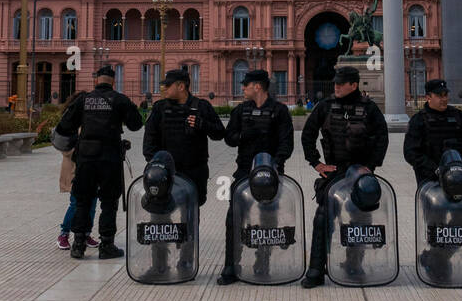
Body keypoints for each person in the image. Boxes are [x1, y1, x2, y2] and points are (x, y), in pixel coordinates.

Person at [299, 65, 389, 288]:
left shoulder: (368, 107)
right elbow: (307, 134)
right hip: (335, 170)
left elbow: (382, 137)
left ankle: (354, 265)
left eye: (341, 83)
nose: (336, 86)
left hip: (360, 172)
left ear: (354, 85)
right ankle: (316, 270)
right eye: (335, 83)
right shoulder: (326, 106)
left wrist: (370, 166)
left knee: (360, 219)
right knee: (322, 218)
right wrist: (316, 163)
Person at [141, 69, 226, 273]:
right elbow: (149, 141)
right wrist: (155, 165)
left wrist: (201, 124)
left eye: (168, 85)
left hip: (193, 172)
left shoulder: (201, 107)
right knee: (159, 219)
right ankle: (159, 264)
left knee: (189, 218)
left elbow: (220, 134)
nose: (164, 89)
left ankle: (186, 262)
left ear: (181, 86)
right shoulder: (160, 108)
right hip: (165, 176)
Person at [55, 65, 143, 260]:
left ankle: (78, 245)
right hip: (109, 157)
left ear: (96, 80)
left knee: (83, 201)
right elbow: (136, 125)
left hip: (86, 157)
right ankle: (107, 245)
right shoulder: (119, 100)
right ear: (113, 81)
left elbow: (64, 126)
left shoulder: (84, 100)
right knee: (109, 202)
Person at [218, 69, 295, 285]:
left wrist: (276, 165)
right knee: (234, 218)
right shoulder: (241, 111)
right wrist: (244, 135)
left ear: (257, 86)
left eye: (246, 85)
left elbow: (286, 143)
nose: (242, 88)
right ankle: (232, 265)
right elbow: (229, 138)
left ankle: (263, 263)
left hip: (270, 173)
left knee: (267, 220)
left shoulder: (278, 111)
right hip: (243, 172)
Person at [405, 78, 462, 283]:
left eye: (446, 94)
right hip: (431, 184)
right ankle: (439, 267)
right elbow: (411, 153)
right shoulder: (419, 121)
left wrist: (460, 170)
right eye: (439, 95)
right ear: (428, 97)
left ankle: (437, 257)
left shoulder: (459, 118)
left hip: (459, 183)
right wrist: (437, 170)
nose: (444, 98)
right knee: (436, 226)